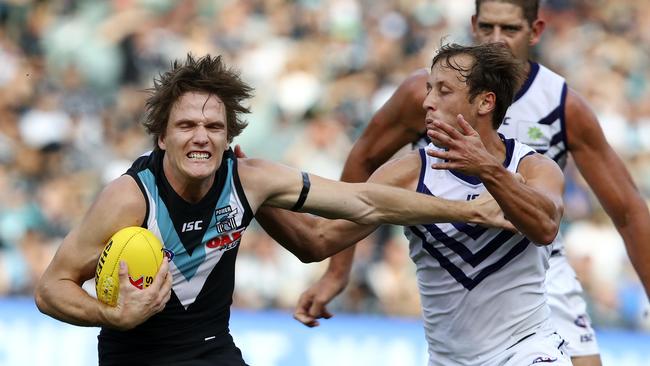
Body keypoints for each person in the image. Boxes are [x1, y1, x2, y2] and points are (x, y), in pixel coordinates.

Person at [33, 53, 511, 366]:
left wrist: (467, 210)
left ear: (229, 135)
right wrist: (110, 315)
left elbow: (363, 199)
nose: (201, 136)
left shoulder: (250, 178)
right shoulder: (129, 197)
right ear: (162, 136)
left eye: (213, 126)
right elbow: (51, 289)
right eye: (186, 125)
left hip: (212, 352)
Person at [277, 1, 650, 365]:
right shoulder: (408, 165)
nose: (496, 39)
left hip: (536, 292)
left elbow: (596, 216)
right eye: (487, 27)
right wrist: (254, 192)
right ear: (473, 24)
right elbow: (327, 225)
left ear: (535, 31)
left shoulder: (555, 117)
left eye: (509, 28)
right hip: (451, 348)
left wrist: (488, 168)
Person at [253, 42, 570, 365]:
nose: (427, 101)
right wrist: (254, 194)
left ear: (486, 101)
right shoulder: (407, 173)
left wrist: (487, 169)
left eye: (443, 91)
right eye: (429, 89)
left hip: (529, 351)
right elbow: (316, 242)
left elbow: (544, 227)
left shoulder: (533, 168)